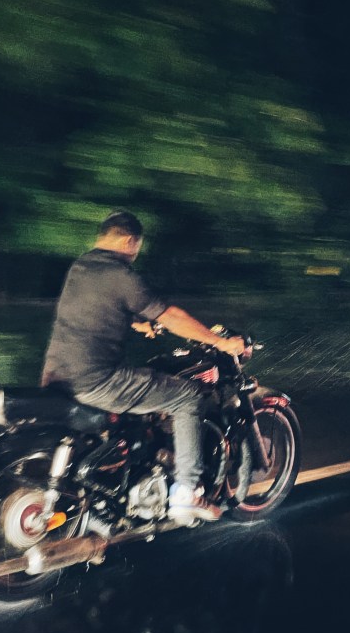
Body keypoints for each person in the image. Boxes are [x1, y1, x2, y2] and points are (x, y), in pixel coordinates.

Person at [41, 210, 246, 522]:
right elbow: (171, 316)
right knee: (188, 396)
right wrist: (220, 342)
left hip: (58, 376)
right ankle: (187, 493)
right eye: (136, 248)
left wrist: (138, 322)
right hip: (97, 380)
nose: (135, 254)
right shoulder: (121, 274)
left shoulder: (81, 267)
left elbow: (98, 309)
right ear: (129, 241)